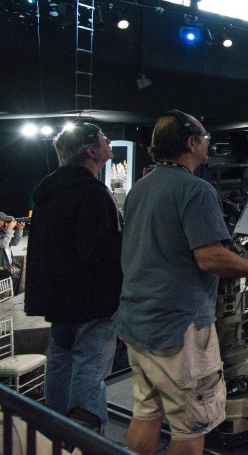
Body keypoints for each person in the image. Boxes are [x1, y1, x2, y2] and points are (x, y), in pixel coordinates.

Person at [118, 111, 248, 455]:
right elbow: (210, 258)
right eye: (204, 136)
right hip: (179, 329)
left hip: (138, 321)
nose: (209, 141)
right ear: (191, 143)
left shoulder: (141, 188)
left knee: (146, 411)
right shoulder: (196, 190)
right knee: (189, 426)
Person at [23, 123, 121, 430]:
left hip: (57, 299)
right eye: (104, 139)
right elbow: (98, 250)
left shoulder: (48, 190)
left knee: (61, 365)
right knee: (90, 372)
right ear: (91, 151)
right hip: (92, 301)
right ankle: (88, 441)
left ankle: (55, 434)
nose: (108, 142)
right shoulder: (90, 193)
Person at [0, 214, 24, 288]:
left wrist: (19, 230)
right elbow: (3, 244)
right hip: (2, 269)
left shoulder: (3, 232)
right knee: (5, 295)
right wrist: (9, 230)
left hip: (8, 267)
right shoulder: (6, 232)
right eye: (3, 221)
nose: (6, 223)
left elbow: (14, 242)